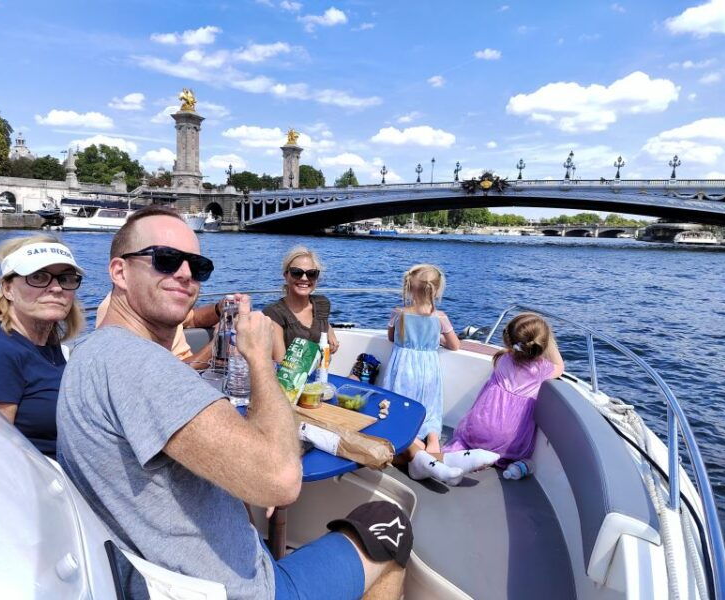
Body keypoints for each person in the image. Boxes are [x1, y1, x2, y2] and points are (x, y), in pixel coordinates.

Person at [57, 206, 412, 600]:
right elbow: (281, 481)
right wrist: (258, 356)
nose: (186, 274)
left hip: (173, 571)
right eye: (165, 260)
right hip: (243, 590)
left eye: (198, 266)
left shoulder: (93, 353)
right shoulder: (140, 366)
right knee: (388, 523)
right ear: (119, 272)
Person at [0, 235, 84, 458]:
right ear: (8, 289)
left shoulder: (48, 346)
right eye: (38, 277)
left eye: (66, 278)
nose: (56, 288)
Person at [443, 312, 565, 466]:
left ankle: (464, 456)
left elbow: (512, 352)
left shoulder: (501, 359)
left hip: (478, 430)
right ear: (541, 345)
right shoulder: (542, 370)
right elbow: (560, 366)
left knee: (467, 438)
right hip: (511, 442)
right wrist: (549, 340)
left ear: (509, 339)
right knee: (513, 453)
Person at [381, 264, 461, 455]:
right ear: (436, 290)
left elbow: (391, 338)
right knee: (430, 406)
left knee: (402, 405)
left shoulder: (398, 313)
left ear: (408, 287)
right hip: (428, 370)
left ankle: (414, 440)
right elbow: (455, 345)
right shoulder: (440, 317)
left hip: (402, 368)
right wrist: (437, 339)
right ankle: (433, 438)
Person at [95, 291, 245, 365]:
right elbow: (160, 376)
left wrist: (219, 309)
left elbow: (192, 319)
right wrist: (217, 346)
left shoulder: (154, 299)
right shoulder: (119, 312)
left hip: (197, 375)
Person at [262, 246, 339, 362]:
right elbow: (280, 363)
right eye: (296, 272)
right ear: (286, 275)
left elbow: (321, 322)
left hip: (321, 370)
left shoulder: (322, 304)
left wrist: (329, 329)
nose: (304, 278)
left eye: (311, 273)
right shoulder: (274, 313)